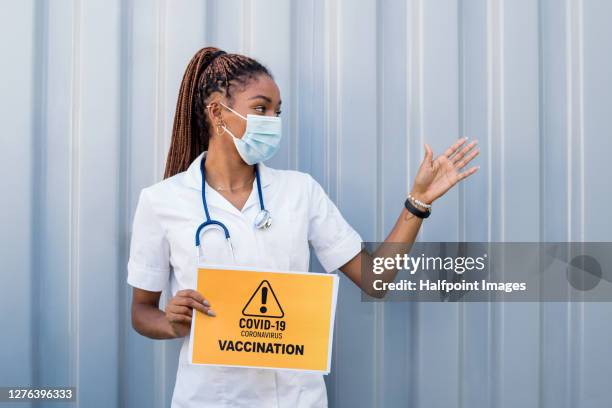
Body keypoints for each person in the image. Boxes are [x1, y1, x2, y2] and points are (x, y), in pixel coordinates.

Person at [127, 46, 479, 408]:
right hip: (209, 398)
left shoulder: (299, 191)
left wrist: (417, 202)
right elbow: (142, 311)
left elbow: (375, 280)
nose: (272, 121)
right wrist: (171, 323)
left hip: (295, 398)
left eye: (277, 112)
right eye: (260, 108)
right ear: (217, 113)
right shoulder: (162, 201)